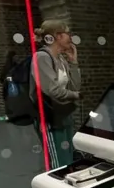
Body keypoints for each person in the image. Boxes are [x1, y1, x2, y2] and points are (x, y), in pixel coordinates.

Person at [31, 20, 81, 168]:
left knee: (68, 156)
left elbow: (74, 86)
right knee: (58, 160)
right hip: (50, 117)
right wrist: (75, 96)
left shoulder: (60, 59)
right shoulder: (42, 58)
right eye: (67, 34)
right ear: (57, 36)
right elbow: (52, 90)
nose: (70, 37)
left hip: (64, 113)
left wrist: (73, 63)